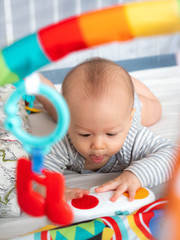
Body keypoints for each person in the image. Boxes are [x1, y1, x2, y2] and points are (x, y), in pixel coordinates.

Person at [37, 57, 176, 202]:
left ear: (129, 120)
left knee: (155, 110)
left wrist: (136, 175)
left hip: (132, 106)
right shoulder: (63, 142)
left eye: (111, 134)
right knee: (55, 109)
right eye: (85, 134)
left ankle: (128, 81)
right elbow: (36, 175)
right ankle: (41, 87)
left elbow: (173, 154)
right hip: (80, 111)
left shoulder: (133, 138)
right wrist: (53, 190)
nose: (98, 145)